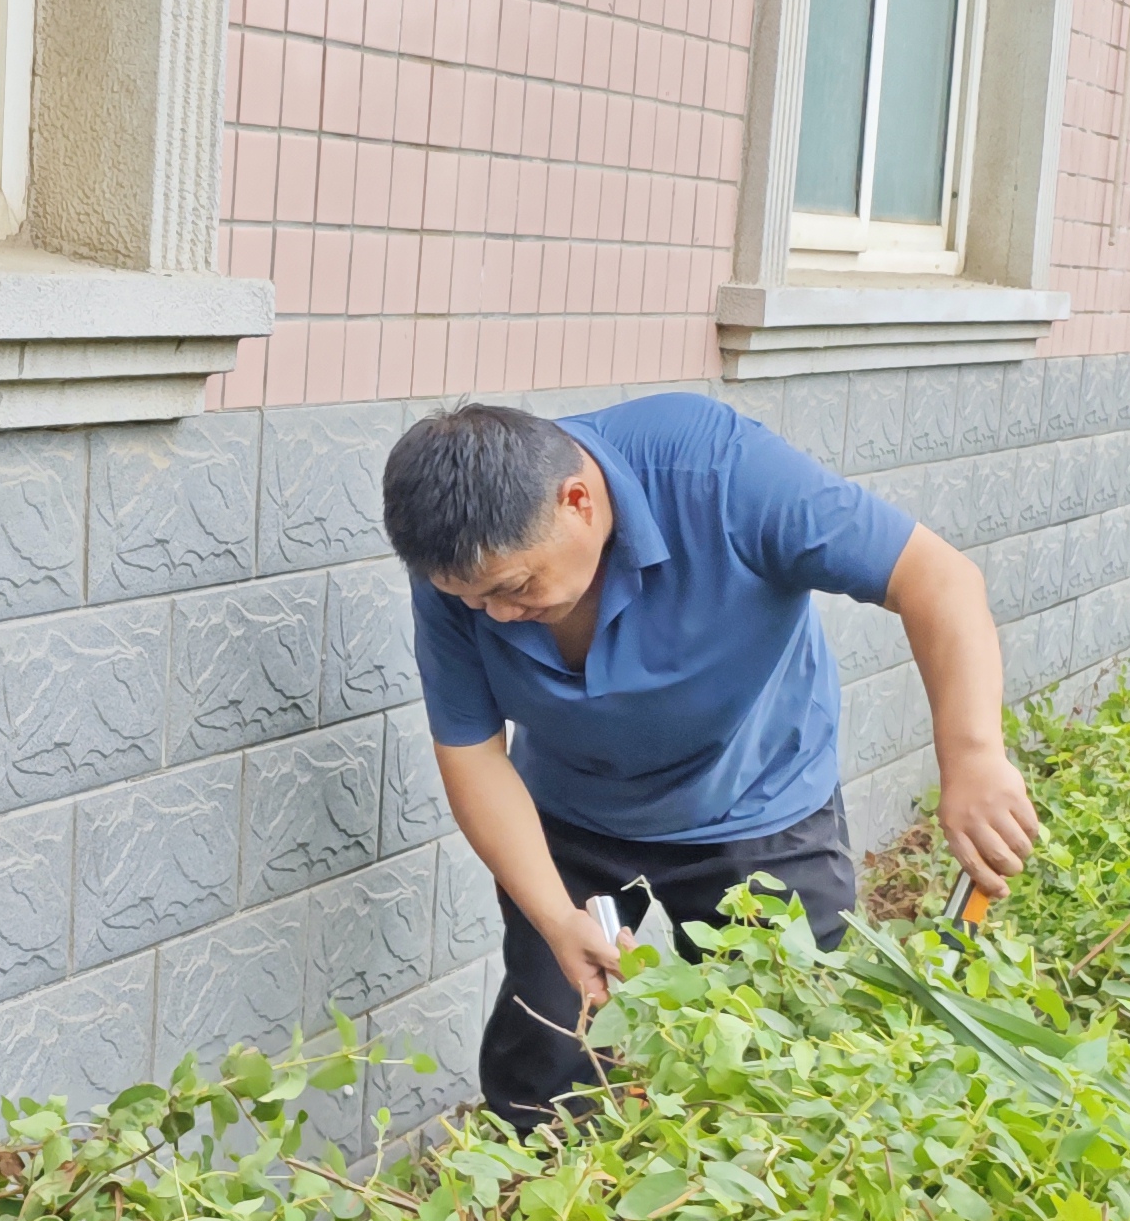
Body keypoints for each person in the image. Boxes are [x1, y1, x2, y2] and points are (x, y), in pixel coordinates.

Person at [382, 400, 1041, 1131]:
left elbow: (936, 578)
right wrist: (557, 919)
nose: (496, 616)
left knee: (788, 1048)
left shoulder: (724, 474)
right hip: (574, 811)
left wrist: (973, 757)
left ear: (578, 502)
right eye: (473, 601)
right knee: (549, 1052)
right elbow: (473, 756)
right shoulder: (465, 566)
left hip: (756, 800)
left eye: (514, 588)